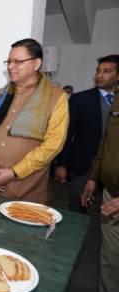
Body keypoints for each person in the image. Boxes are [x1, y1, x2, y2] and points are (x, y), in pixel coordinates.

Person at [0, 38, 69, 203]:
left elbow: (54, 144)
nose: (10, 66)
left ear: (36, 63)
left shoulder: (56, 97)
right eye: (9, 61)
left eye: (18, 61)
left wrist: (15, 172)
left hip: (26, 190)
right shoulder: (0, 95)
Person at [55, 55, 119, 212]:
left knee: (108, 212)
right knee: (78, 209)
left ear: (118, 76)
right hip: (83, 165)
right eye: (98, 71)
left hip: (113, 169)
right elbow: (67, 133)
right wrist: (62, 164)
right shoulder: (80, 99)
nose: (99, 75)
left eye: (106, 71)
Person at [81, 92, 119, 292]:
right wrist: (94, 177)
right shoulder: (117, 98)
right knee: (111, 261)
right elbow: (107, 142)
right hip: (111, 193)